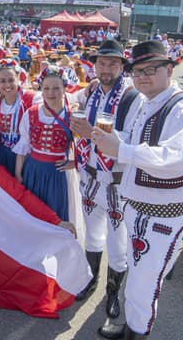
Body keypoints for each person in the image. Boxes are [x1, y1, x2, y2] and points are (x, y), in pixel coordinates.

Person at [91, 40, 183, 339]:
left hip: (160, 216)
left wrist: (123, 149)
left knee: (144, 286)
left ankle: (136, 333)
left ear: (169, 69)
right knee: (137, 279)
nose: (142, 76)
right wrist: (107, 137)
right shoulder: (151, 101)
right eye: (137, 70)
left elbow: (176, 160)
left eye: (150, 69)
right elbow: (135, 139)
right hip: (140, 209)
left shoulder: (182, 109)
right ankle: (131, 328)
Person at [68, 39, 131, 309]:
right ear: (94, 65)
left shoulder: (131, 97)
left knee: (118, 242)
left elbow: (130, 142)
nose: (106, 69)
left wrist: (90, 132)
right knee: (93, 234)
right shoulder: (90, 92)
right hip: (90, 177)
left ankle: (113, 291)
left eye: (112, 64)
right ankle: (91, 279)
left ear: (121, 67)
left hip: (116, 182)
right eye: (102, 63)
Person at [13, 65, 79, 226]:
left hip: (58, 173)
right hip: (33, 170)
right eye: (46, 88)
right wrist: (18, 174)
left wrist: (73, 163)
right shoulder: (32, 113)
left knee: (58, 215)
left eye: (56, 88)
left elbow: (85, 148)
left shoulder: (73, 115)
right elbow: (23, 147)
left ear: (65, 88)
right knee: (34, 216)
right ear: (41, 89)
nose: (51, 93)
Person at [0, 59, 39, 175]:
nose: (7, 85)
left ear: (18, 79)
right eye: (2, 81)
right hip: (2, 153)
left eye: (11, 80)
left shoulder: (30, 98)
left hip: (24, 155)